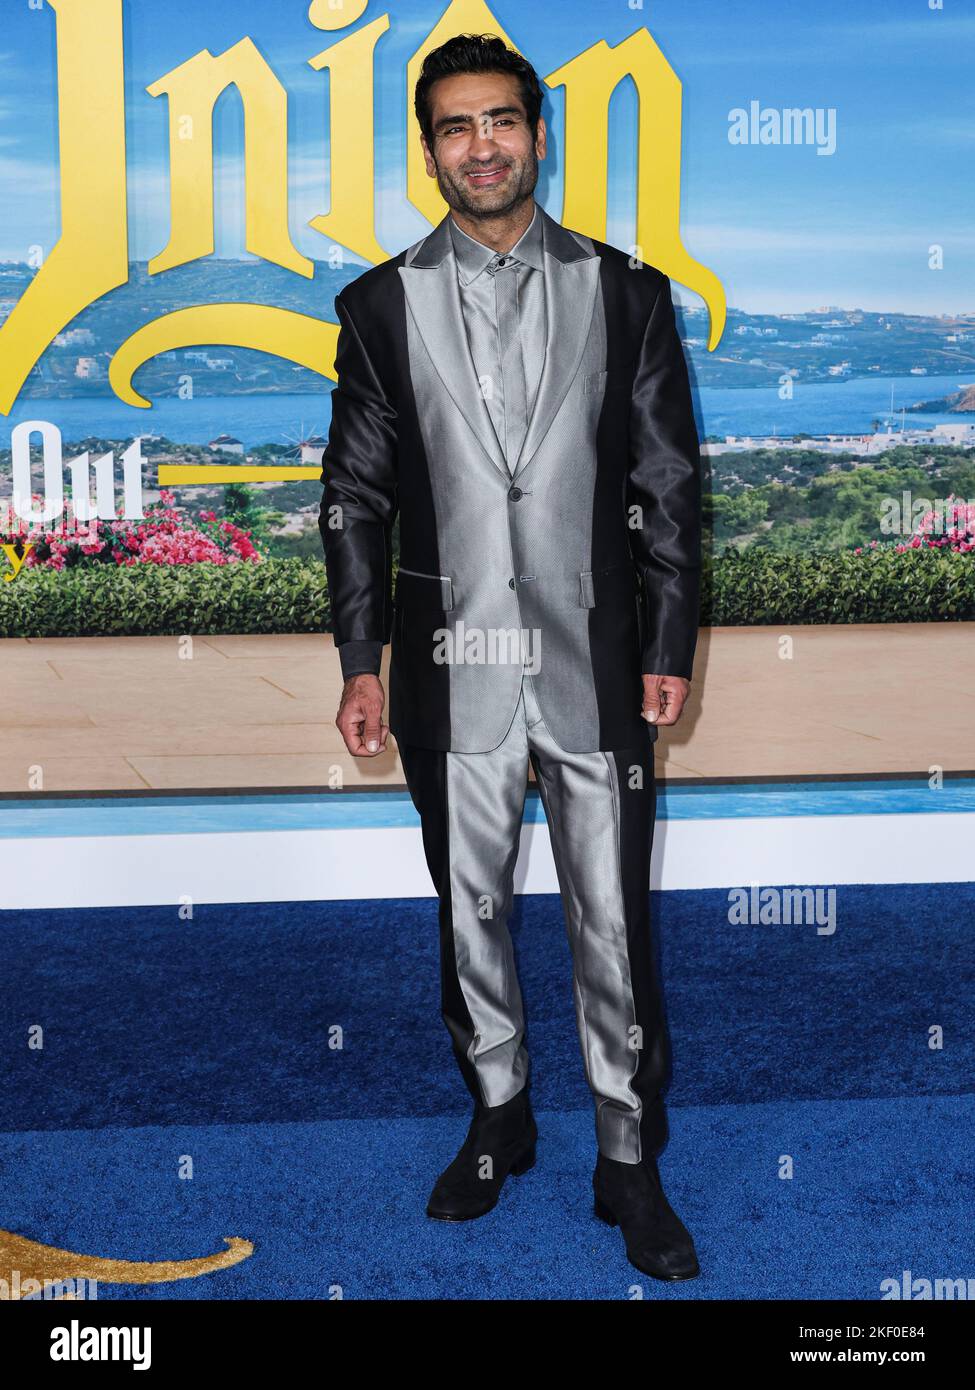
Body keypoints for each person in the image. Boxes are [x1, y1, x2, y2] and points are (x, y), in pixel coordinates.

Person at [319, 33, 702, 1281]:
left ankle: (627, 1156)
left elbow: (667, 483)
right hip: (445, 664)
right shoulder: (378, 306)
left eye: (500, 122)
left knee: (613, 920)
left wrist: (669, 638)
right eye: (453, 128)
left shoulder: (627, 293)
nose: (479, 147)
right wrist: (361, 656)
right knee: (470, 914)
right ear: (426, 150)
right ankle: (499, 1118)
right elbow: (355, 495)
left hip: (598, 661)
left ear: (537, 133)